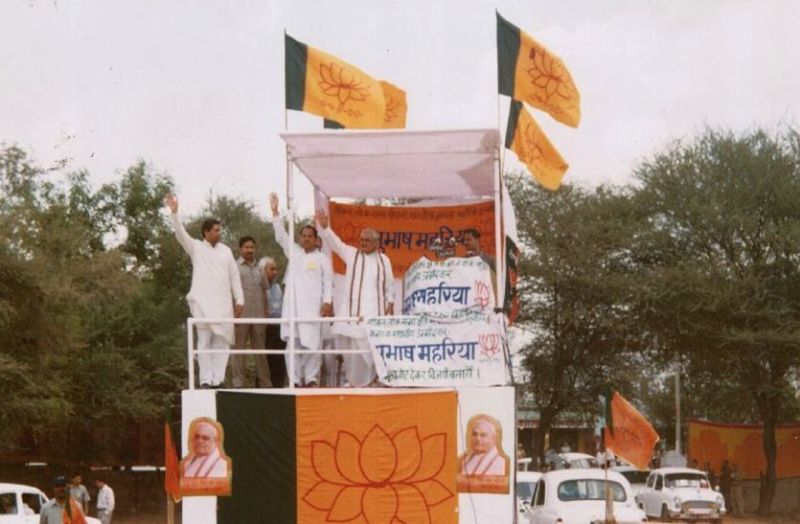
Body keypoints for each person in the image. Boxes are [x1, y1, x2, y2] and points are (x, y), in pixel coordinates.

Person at [165, 194, 244, 388]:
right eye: (216, 230)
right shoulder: (196, 248)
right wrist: (175, 214)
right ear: (206, 232)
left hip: (223, 305)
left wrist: (239, 300)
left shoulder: (226, 251)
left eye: (220, 230)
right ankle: (206, 380)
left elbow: (234, 276)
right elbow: (180, 234)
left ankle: (218, 379)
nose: (219, 233)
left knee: (222, 342)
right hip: (202, 303)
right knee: (204, 342)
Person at [316, 209, 394, 387]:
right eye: (362, 240)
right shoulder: (352, 254)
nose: (363, 243)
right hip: (354, 312)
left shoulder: (384, 260)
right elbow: (336, 244)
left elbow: (389, 285)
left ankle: (374, 379)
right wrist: (326, 227)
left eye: (367, 240)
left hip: (375, 312)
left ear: (376, 242)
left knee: (373, 347)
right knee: (352, 348)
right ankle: (354, 381)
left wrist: (390, 301)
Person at [270, 193, 333, 387]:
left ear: (315, 240)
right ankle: (295, 380)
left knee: (312, 345)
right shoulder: (295, 253)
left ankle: (312, 378)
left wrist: (327, 301)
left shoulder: (322, 258)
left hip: (312, 308)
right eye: (303, 236)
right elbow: (281, 237)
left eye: (310, 237)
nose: (306, 239)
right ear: (300, 238)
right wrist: (275, 213)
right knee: (293, 345)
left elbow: (328, 282)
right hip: (293, 308)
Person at [232, 236, 271, 388]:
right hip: (240, 315)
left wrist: (266, 311)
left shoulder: (260, 268)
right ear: (240, 249)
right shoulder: (234, 267)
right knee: (238, 350)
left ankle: (265, 384)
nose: (249, 250)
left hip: (258, 316)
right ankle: (237, 384)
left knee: (260, 351)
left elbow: (264, 291)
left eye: (252, 247)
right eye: (246, 247)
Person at [262, 256, 287, 387]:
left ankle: (279, 386)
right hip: (266, 327)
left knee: (279, 359)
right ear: (263, 270)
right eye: (272, 269)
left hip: (279, 328)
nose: (275, 272)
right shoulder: (260, 287)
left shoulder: (277, 287)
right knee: (266, 360)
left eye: (276, 269)